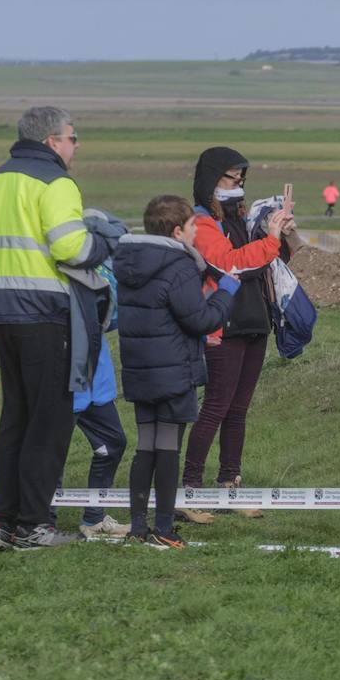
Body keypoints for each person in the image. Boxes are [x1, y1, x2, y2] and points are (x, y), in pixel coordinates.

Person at [0, 106, 112, 550]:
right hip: (45, 315)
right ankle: (34, 525)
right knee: (48, 424)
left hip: (0, 313)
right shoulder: (56, 182)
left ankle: (5, 523)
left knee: (16, 419)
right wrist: (104, 241)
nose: (76, 145)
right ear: (53, 141)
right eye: (73, 137)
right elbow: (71, 246)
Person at [115, 195, 238, 548]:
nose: (196, 230)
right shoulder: (178, 266)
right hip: (172, 372)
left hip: (141, 368)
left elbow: (163, 316)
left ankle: (138, 525)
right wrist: (225, 294)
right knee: (168, 447)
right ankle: (164, 526)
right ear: (176, 231)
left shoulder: (130, 264)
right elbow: (201, 318)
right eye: (192, 226)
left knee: (146, 446)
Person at [181, 146, 293, 521]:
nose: (238, 186)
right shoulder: (201, 223)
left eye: (242, 179)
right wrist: (270, 240)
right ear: (211, 180)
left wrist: (280, 236)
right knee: (215, 406)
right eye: (231, 179)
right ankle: (190, 491)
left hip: (253, 320)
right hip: (222, 325)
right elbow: (228, 264)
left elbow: (264, 261)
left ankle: (230, 486)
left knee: (238, 410)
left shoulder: (239, 218)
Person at [68, 264, 130, 539]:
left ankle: (94, 516)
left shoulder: (97, 266)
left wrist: (107, 281)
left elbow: (112, 317)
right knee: (51, 454)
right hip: (62, 379)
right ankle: (41, 522)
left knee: (114, 443)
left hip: (95, 381)